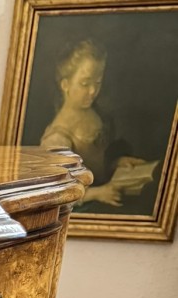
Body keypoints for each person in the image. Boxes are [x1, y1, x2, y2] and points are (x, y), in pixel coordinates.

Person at [40, 40, 149, 208]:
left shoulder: (94, 112)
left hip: (108, 191)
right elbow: (56, 192)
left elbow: (92, 165)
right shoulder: (56, 138)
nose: (92, 91)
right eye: (85, 84)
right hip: (83, 209)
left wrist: (115, 164)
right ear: (65, 84)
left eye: (97, 83)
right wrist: (96, 193)